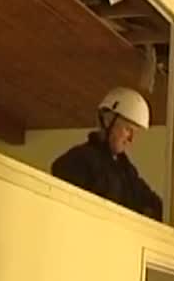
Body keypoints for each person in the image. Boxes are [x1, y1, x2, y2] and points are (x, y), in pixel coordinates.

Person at [51, 87, 164, 222]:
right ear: (107, 120)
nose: (131, 139)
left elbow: (154, 204)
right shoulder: (77, 161)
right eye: (128, 129)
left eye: (135, 132)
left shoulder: (127, 172)